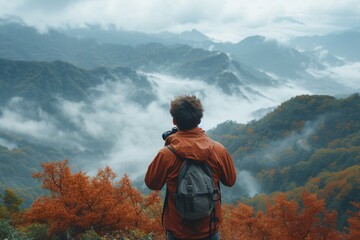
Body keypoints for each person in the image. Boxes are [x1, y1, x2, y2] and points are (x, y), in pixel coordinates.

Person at [145, 95, 236, 240]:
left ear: (174, 121)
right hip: (209, 228)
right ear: (199, 120)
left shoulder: (167, 154)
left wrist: (168, 147)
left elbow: (152, 183)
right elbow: (230, 180)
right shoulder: (218, 150)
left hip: (178, 230)